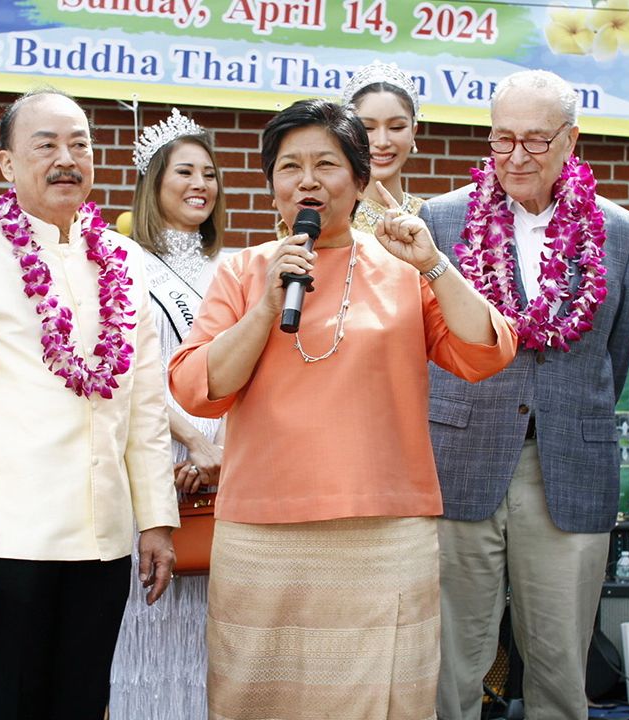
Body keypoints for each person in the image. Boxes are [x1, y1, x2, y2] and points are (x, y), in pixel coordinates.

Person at [169, 98, 516, 720]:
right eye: (288, 166)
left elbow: (484, 352)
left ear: (360, 179)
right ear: (271, 182)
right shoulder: (244, 271)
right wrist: (263, 310)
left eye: (326, 164)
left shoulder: (405, 264)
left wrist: (434, 264)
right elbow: (197, 387)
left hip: (382, 528)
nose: (306, 180)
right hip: (264, 530)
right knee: (259, 699)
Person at [0, 87, 179, 718]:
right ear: (7, 164)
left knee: (87, 699)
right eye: (46, 144)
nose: (67, 158)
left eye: (79, 143)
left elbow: (144, 403)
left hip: (107, 535)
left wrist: (156, 520)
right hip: (12, 537)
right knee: (14, 701)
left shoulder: (125, 260)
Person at [424, 69, 629, 720]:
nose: (516, 157)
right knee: (450, 666)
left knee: (558, 671)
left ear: (571, 141)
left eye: (535, 140)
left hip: (566, 468)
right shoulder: (441, 219)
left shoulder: (623, 233)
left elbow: (616, 352)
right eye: (502, 140)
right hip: (461, 460)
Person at [109, 108, 228, 718]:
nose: (199, 184)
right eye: (184, 171)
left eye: (209, 173)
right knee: (152, 616)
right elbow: (132, 373)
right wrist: (193, 442)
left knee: (213, 622)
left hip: (223, 464)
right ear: (153, 183)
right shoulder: (124, 266)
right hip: (157, 454)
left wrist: (220, 451)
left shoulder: (228, 267)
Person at [340, 61, 424, 233]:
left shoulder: (434, 218)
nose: (382, 142)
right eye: (368, 128)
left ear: (413, 132)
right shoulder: (332, 220)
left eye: (396, 127)